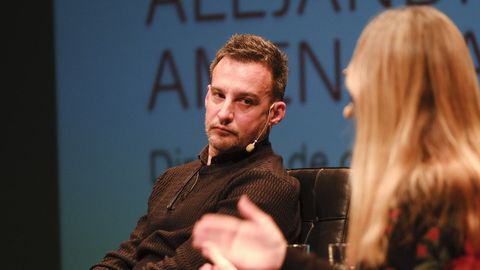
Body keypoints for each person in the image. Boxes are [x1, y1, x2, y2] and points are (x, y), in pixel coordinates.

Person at [192, 6, 480, 270]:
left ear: (396, 103)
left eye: (358, 97)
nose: (348, 112)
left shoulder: (437, 205)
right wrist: (282, 259)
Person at [91, 34, 301, 269]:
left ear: (275, 113)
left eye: (245, 101)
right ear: (207, 96)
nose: (224, 113)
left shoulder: (266, 185)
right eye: (219, 95)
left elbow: (183, 267)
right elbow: (124, 257)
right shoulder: (172, 178)